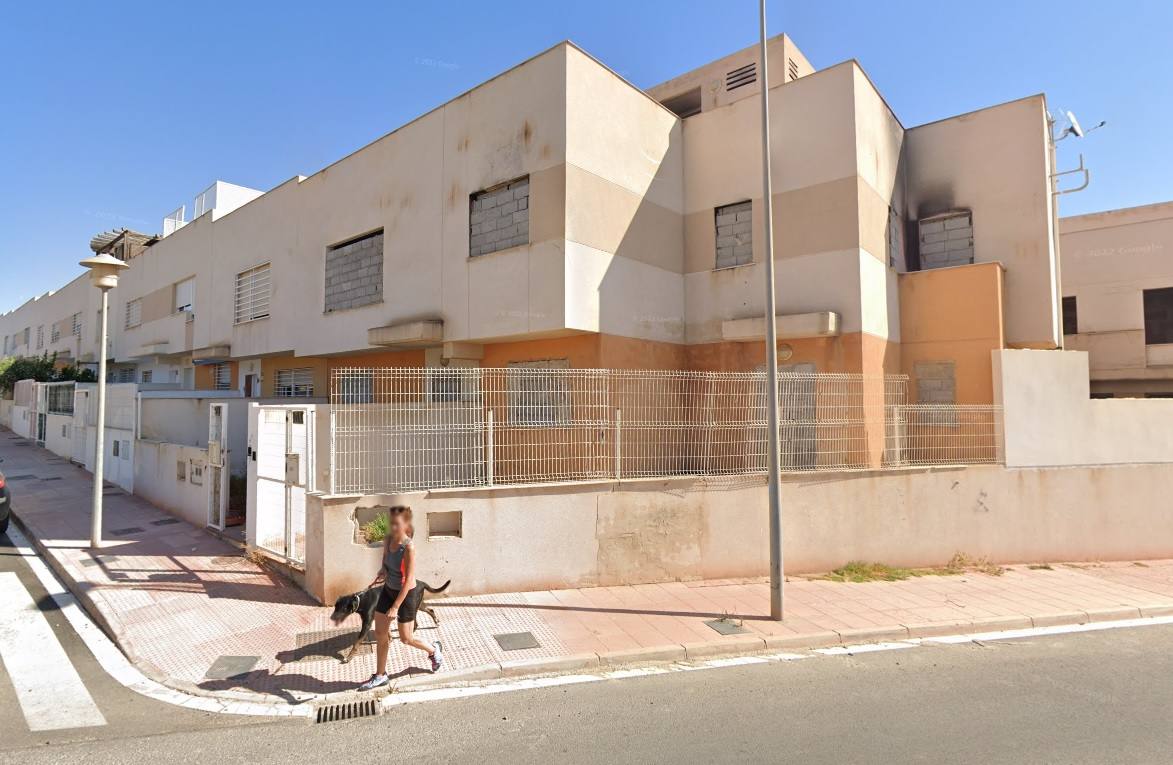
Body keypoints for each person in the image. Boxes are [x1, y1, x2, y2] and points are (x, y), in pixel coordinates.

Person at [358, 505, 443, 690]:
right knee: (381, 633)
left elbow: (408, 580)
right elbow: (385, 560)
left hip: (406, 595)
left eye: (397, 524)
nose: (393, 527)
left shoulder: (408, 548)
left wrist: (395, 607)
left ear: (406, 525)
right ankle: (380, 675)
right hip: (389, 590)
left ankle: (434, 650)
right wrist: (383, 570)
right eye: (391, 523)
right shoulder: (388, 539)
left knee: (406, 638)